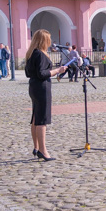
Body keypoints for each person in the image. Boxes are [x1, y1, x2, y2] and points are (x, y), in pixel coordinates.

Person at [25, 29, 67, 162]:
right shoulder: (40, 54)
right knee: (42, 119)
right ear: (44, 40)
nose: (50, 42)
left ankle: (36, 147)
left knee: (36, 118)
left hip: (34, 86)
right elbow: (42, 74)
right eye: (48, 39)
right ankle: (43, 150)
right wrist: (57, 70)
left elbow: (28, 73)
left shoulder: (31, 53)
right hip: (42, 88)